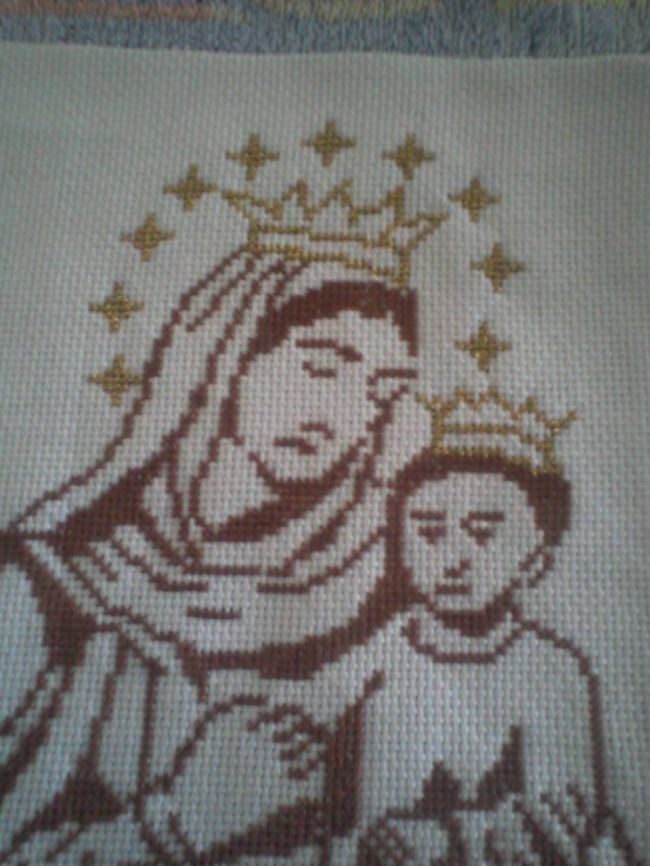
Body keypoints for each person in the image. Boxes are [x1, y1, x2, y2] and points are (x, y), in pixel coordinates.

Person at [0, 246, 426, 865]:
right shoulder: (49, 586)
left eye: (379, 396)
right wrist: (181, 817)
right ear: (229, 355)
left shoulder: (373, 611)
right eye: (321, 366)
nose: (344, 417)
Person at [334, 447, 641, 866]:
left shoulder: (554, 670)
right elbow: (358, 824)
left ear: (535, 562)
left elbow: (566, 819)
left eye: (482, 535)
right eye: (429, 532)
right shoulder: (374, 669)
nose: (453, 560)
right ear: (400, 548)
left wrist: (447, 838)